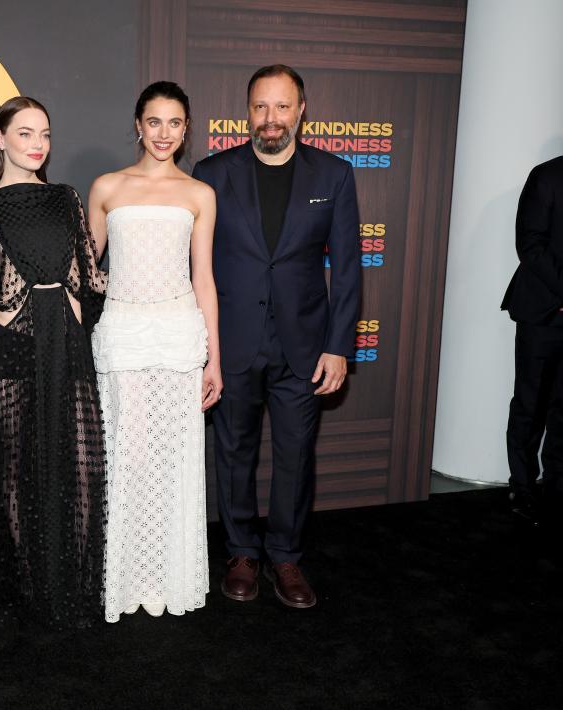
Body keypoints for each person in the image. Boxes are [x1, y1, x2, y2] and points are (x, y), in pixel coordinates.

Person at [192, 65, 361, 609]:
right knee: (233, 452)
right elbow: (192, 266)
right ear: (248, 112)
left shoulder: (333, 175)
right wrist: (201, 346)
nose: (271, 119)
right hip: (233, 341)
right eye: (261, 107)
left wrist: (338, 345)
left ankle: (286, 557)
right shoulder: (212, 172)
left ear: (301, 110)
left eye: (282, 107)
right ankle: (242, 551)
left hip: (304, 347)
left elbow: (350, 268)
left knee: (294, 455)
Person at [0, 96, 107, 629]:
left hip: (65, 340)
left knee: (79, 463)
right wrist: (7, 310)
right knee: (16, 468)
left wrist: (73, 299)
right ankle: (31, 589)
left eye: (45, 134)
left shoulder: (66, 198)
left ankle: (69, 581)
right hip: (12, 345)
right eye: (25, 134)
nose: (38, 144)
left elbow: (91, 276)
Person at [87, 81, 221, 622]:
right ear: (137, 125)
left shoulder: (199, 194)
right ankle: (122, 580)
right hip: (120, 329)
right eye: (154, 122)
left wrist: (214, 356)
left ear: (186, 130)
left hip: (176, 333)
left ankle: (170, 576)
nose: (164, 133)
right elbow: (86, 270)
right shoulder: (106, 188)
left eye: (175, 123)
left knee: (173, 461)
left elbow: (205, 278)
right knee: (124, 458)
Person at [502, 155, 563, 526]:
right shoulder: (547, 176)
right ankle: (522, 488)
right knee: (531, 404)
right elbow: (531, 245)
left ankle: (557, 487)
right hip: (544, 312)